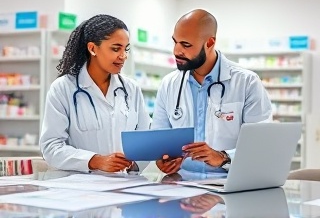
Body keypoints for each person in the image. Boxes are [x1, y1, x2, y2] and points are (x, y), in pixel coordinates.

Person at [151, 9, 272, 175]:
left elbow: (262, 143)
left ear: (209, 43)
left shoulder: (246, 82)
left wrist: (223, 157)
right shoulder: (169, 84)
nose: (176, 51)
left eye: (186, 45)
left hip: (228, 185)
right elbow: (159, 138)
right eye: (175, 42)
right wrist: (162, 159)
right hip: (181, 186)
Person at [40, 14, 151, 173]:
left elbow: (144, 139)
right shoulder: (63, 88)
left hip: (123, 185)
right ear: (92, 48)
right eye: (115, 48)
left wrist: (134, 164)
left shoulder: (131, 89)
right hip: (80, 188)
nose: (123, 56)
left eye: (125, 49)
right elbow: (51, 147)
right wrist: (95, 161)